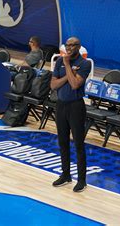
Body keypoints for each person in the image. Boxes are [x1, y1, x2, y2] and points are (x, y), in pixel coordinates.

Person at [50, 37, 91, 193]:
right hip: (60, 105)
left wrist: (68, 65)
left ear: (78, 47)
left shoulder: (84, 64)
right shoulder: (59, 61)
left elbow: (75, 85)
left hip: (76, 106)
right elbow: (53, 85)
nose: (69, 48)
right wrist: (69, 74)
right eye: (67, 45)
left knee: (78, 144)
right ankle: (66, 174)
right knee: (62, 142)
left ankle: (82, 180)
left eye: (72, 45)